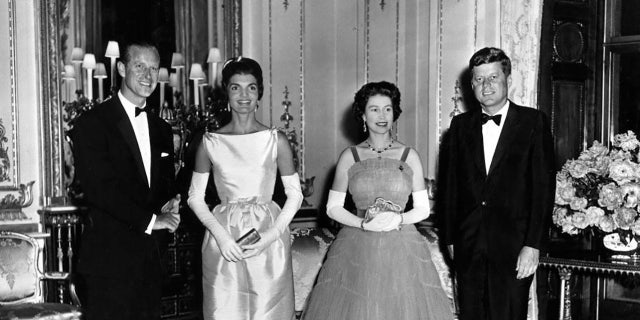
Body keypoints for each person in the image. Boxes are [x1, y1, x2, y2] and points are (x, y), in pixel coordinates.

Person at [303, 81, 453, 320]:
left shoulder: (409, 155)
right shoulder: (349, 156)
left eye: (388, 108)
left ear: (395, 114)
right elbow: (332, 208)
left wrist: (398, 218)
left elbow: (423, 209)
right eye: (374, 109)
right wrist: (363, 224)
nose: (382, 115)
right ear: (362, 114)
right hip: (356, 246)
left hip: (402, 245)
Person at [438, 47, 555, 320]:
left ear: (508, 80)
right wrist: (451, 238)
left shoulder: (533, 122)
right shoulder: (459, 126)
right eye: (479, 79)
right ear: (471, 85)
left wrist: (533, 245)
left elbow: (543, 189)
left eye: (493, 77)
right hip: (468, 245)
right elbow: (449, 189)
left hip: (514, 247)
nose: (486, 85)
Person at [187, 56, 303, 320]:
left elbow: (295, 195)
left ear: (259, 93)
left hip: (267, 238)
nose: (244, 95)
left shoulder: (276, 140)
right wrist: (221, 236)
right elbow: (195, 197)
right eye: (235, 87)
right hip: (223, 239)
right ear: (226, 92)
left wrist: (271, 236)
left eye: (251, 87)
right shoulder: (210, 142)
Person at [72, 42, 181, 319]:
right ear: (121, 68)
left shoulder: (162, 129)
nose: (148, 75)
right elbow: (99, 191)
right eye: (139, 66)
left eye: (154, 68)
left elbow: (164, 185)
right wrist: (152, 221)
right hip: (109, 264)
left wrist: (171, 202)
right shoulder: (92, 123)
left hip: (150, 262)